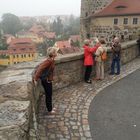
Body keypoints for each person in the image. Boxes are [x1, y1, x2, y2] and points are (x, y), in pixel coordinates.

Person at [33, 47, 58, 115]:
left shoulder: (51, 60)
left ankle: (50, 108)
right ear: (53, 54)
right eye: (56, 52)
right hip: (46, 80)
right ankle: (49, 110)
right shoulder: (48, 61)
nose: (57, 53)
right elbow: (40, 69)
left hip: (48, 80)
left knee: (49, 94)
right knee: (48, 95)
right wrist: (35, 79)